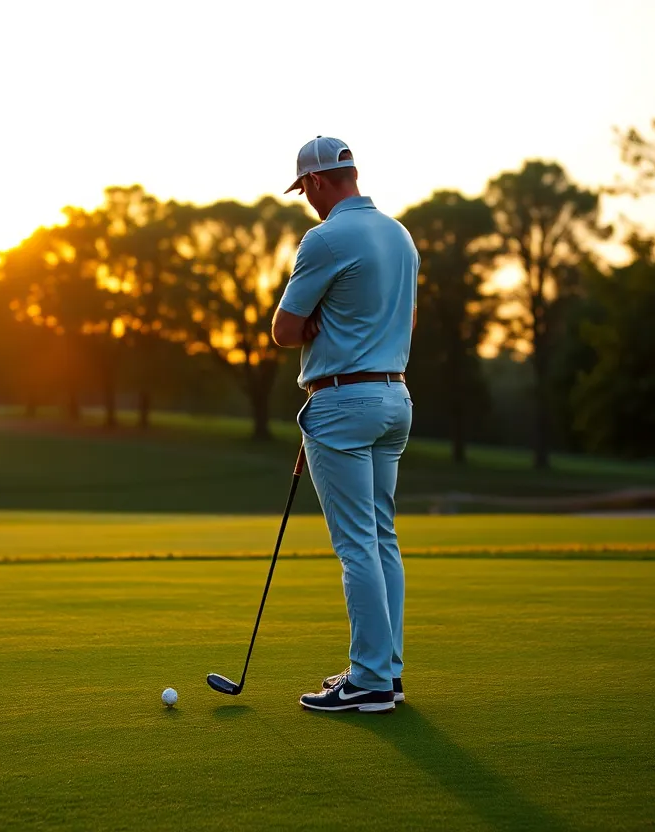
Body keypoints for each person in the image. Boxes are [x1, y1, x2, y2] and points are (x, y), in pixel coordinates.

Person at [271, 136, 419, 714]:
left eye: (305, 188)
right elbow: (392, 321)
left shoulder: (325, 238)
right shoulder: (399, 234)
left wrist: (312, 327)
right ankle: (388, 670)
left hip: (341, 400)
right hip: (395, 397)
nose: (307, 199)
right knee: (382, 539)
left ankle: (368, 680)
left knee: (357, 544)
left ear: (315, 182)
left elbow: (284, 329)